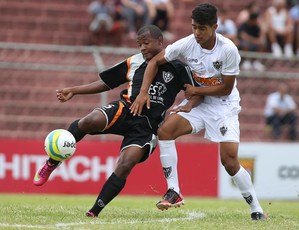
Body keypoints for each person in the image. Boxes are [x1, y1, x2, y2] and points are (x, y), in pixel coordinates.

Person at [33, 25, 202, 218]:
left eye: (146, 43)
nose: (143, 48)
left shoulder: (178, 67)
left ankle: (94, 212)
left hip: (147, 127)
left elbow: (194, 91)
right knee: (89, 121)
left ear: (160, 41)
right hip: (125, 109)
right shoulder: (135, 62)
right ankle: (52, 162)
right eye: (140, 44)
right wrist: (75, 90)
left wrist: (189, 106)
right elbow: (107, 83)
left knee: (125, 164)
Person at [130, 3, 267, 221]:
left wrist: (195, 90)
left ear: (214, 27)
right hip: (200, 104)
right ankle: (174, 191)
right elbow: (155, 60)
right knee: (165, 131)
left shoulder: (228, 49)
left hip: (224, 106)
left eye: (202, 28)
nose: (196, 33)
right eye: (194, 27)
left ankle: (256, 208)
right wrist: (143, 92)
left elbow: (226, 87)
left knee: (229, 162)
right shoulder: (187, 43)